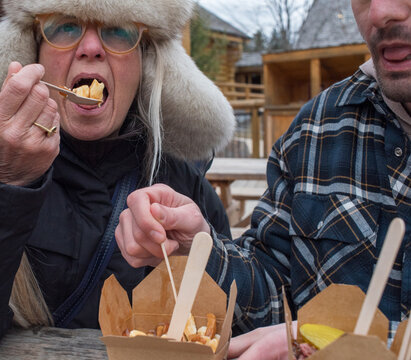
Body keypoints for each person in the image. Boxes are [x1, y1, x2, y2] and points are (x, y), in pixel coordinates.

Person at [0, 0, 235, 359]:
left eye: (119, 32)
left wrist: (195, 259)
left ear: (144, 62)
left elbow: (234, 325)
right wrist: (3, 183)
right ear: (32, 53)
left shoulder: (183, 183)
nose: (91, 48)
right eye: (65, 26)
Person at [115, 0, 411, 358]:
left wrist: (333, 342)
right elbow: (272, 293)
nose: (380, 13)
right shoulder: (316, 128)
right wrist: (197, 250)